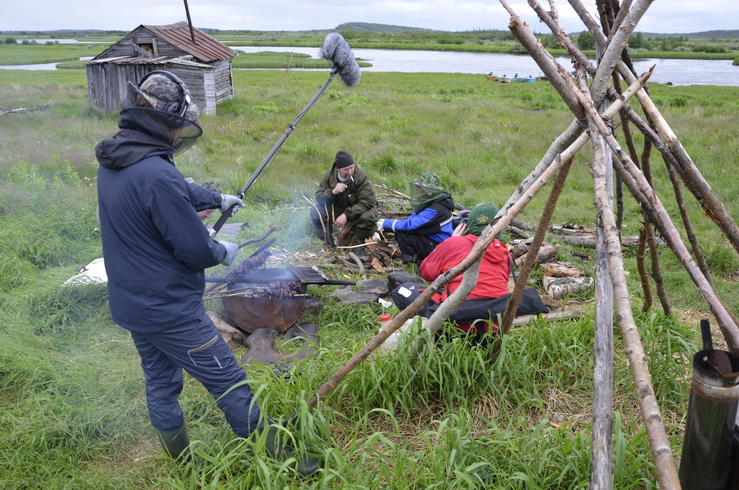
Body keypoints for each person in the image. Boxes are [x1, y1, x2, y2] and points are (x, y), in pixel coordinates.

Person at [95, 70, 319, 474]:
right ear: (167, 120)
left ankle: (180, 459)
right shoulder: (157, 173)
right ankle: (285, 461)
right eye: (179, 125)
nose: (181, 133)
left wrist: (217, 198)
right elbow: (196, 249)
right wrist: (225, 251)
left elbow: (173, 189)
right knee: (230, 381)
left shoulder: (117, 158)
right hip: (170, 311)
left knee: (161, 382)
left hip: (132, 305)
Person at [418, 201, 511, 336]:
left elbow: (426, 273)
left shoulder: (454, 243)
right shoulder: (504, 252)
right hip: (495, 323)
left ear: (471, 222)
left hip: (458, 321)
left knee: (406, 291)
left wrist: (450, 241)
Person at [377, 172, 455, 263]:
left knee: (403, 235)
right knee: (402, 232)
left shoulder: (435, 209)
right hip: (436, 244)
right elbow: (411, 220)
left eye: (420, 187)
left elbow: (411, 225)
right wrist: (386, 224)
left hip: (442, 249)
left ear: (429, 191)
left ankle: (415, 264)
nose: (417, 190)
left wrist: (386, 224)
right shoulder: (429, 203)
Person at [310, 150, 377, 248]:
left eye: (351, 168)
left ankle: (361, 244)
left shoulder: (361, 176)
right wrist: (333, 192)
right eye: (346, 169)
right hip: (338, 209)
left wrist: (346, 215)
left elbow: (367, 201)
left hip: (359, 210)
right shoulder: (330, 176)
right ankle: (328, 243)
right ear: (338, 169)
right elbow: (319, 197)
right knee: (316, 212)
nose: (350, 172)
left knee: (368, 217)